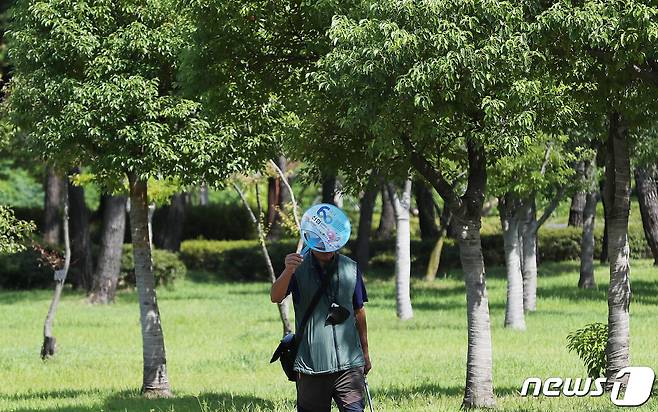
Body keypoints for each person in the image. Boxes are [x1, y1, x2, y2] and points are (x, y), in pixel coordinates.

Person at [270, 248, 371, 412]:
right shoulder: (298, 267)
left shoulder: (350, 267)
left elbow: (359, 311)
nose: (326, 247)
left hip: (349, 365)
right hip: (311, 366)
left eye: (330, 242)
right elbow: (275, 296)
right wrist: (288, 270)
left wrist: (365, 353)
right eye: (321, 243)